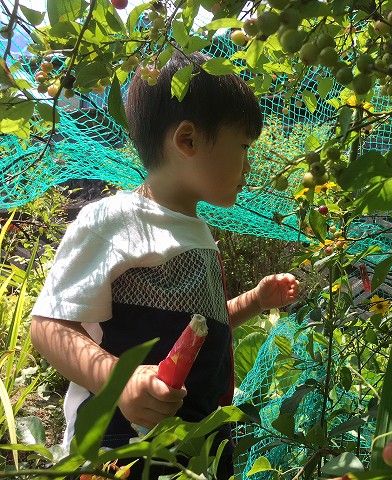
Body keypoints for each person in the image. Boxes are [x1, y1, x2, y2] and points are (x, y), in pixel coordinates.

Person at [30, 51, 299, 479]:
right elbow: (48, 325)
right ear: (187, 140)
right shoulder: (115, 219)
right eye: (244, 146)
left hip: (197, 450)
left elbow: (197, 327)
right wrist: (121, 380)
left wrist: (255, 300)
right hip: (121, 449)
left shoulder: (198, 234)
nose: (249, 165)